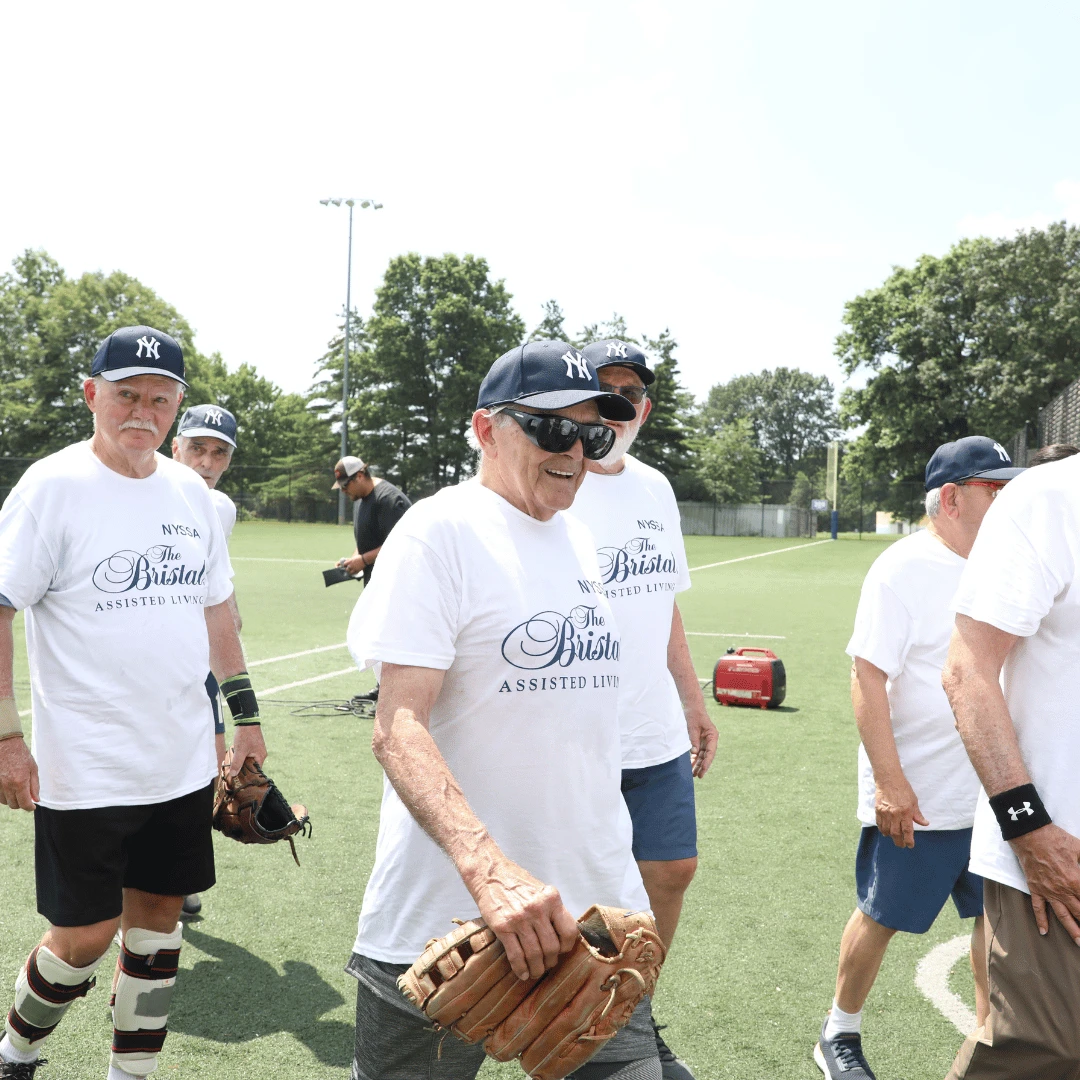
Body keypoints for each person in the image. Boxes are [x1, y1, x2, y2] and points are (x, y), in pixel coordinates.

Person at [343, 340, 663, 1080]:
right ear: (487, 430)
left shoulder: (581, 538)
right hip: (445, 928)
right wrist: (489, 873)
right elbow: (397, 727)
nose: (575, 451)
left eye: (592, 434)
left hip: (593, 923)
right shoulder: (439, 531)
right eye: (553, 428)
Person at [0, 326, 268, 1080]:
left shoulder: (193, 496)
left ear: (179, 407)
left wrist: (245, 720)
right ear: (92, 395)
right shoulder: (50, 488)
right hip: (83, 767)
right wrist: (6, 738)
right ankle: (17, 1048)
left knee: (156, 936)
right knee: (84, 938)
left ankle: (131, 1075)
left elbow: (219, 614)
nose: (141, 412)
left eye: (159, 398)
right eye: (125, 395)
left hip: (180, 763)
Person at [814, 437, 1024, 1080]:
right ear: (953, 498)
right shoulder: (901, 568)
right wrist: (889, 783)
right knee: (885, 915)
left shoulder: (1011, 562)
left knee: (996, 914)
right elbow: (867, 676)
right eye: (997, 490)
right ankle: (838, 1034)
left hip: (994, 785)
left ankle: (994, 1035)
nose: (1009, 501)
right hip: (921, 790)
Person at [571, 339, 718, 1080]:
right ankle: (579, 1023)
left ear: (646, 408)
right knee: (579, 887)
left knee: (672, 870)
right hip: (578, 730)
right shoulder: (558, 479)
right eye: (606, 391)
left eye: (632, 393)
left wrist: (693, 700)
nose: (619, 405)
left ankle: (630, 1012)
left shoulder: (656, 488)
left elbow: (665, 604)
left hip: (653, 725)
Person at [941, 449, 1080, 1078]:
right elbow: (968, 672)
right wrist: (1028, 830)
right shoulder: (1048, 498)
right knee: (1042, 1055)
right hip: (1059, 857)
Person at [171, 402, 242, 917]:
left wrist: (232, 628)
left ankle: (179, 874)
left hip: (200, 661)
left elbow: (219, 581)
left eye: (219, 453)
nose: (207, 461)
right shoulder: (144, 493)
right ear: (176, 446)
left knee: (206, 765)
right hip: (147, 665)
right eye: (198, 448)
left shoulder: (222, 509)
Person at [333, 455, 411, 587]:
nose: (343, 490)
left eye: (345, 485)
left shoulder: (388, 500)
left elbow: (400, 545)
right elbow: (368, 537)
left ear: (359, 476)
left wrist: (363, 560)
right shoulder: (359, 498)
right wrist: (353, 560)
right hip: (377, 582)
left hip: (398, 584)